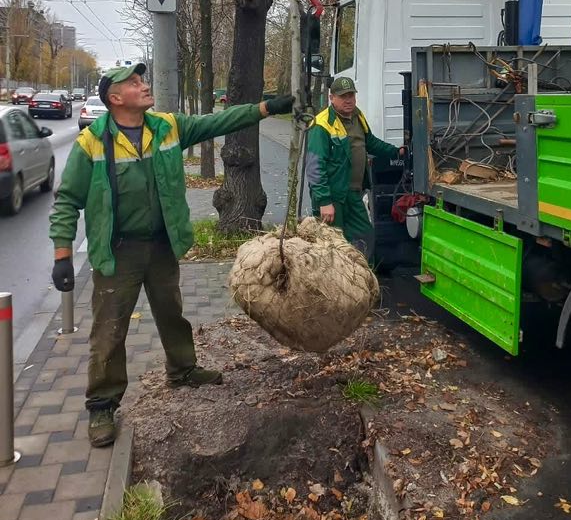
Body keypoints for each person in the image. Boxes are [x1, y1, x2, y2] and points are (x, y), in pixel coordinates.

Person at [49, 63, 294, 447]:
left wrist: (265, 109)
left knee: (171, 310)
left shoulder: (166, 127)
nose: (144, 86)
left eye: (142, 80)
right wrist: (63, 254)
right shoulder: (92, 142)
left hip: (161, 243)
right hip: (118, 251)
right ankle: (102, 404)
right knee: (110, 329)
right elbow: (66, 201)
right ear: (115, 98)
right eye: (134, 83)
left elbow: (217, 123)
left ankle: (182, 369)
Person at [306, 76, 404, 256]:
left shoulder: (357, 115)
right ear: (331, 98)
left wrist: (396, 152)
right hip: (333, 195)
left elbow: (370, 142)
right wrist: (324, 201)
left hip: (353, 193)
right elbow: (314, 168)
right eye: (343, 96)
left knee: (364, 236)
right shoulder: (321, 124)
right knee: (332, 246)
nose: (348, 100)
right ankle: (334, 283)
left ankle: (361, 280)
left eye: (351, 95)